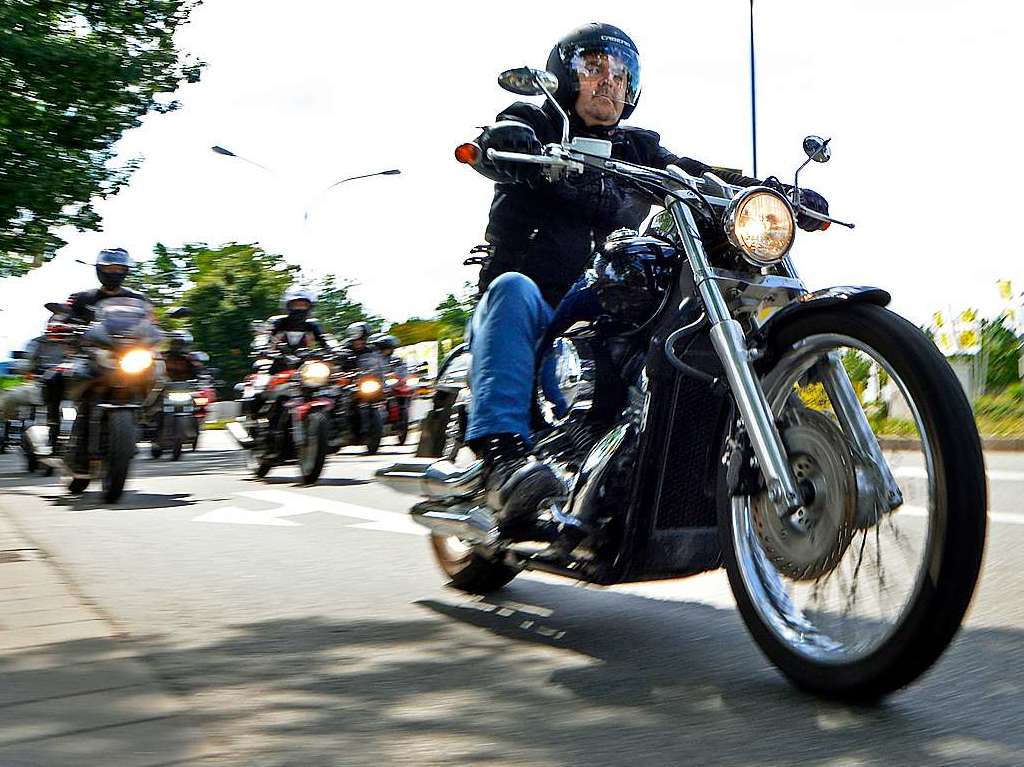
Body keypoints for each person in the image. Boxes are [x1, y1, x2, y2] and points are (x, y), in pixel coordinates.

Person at [464, 23, 830, 519]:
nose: (609, 81)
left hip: (599, 297)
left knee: (671, 307)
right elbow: (495, 142)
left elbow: (696, 173)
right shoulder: (538, 122)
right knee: (514, 290)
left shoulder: (637, 148)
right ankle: (503, 459)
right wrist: (505, 144)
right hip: (533, 301)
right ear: (563, 77)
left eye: (620, 73)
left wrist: (768, 192)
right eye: (594, 68)